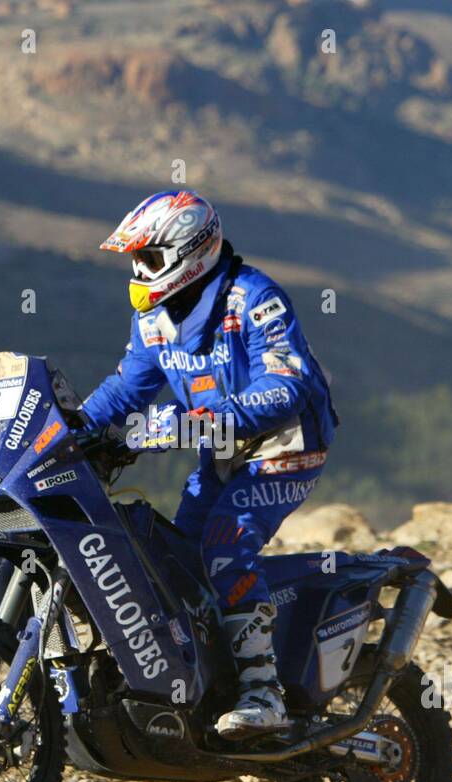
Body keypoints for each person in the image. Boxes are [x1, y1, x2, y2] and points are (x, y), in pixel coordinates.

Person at [79, 190, 339, 739]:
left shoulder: (254, 298)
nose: (138, 271)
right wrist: (72, 428)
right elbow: (128, 389)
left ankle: (263, 693)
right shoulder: (153, 319)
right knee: (177, 558)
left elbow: (290, 383)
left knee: (224, 542)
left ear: (189, 251)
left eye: (148, 258)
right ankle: (205, 678)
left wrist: (203, 419)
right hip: (220, 450)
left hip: (286, 447)